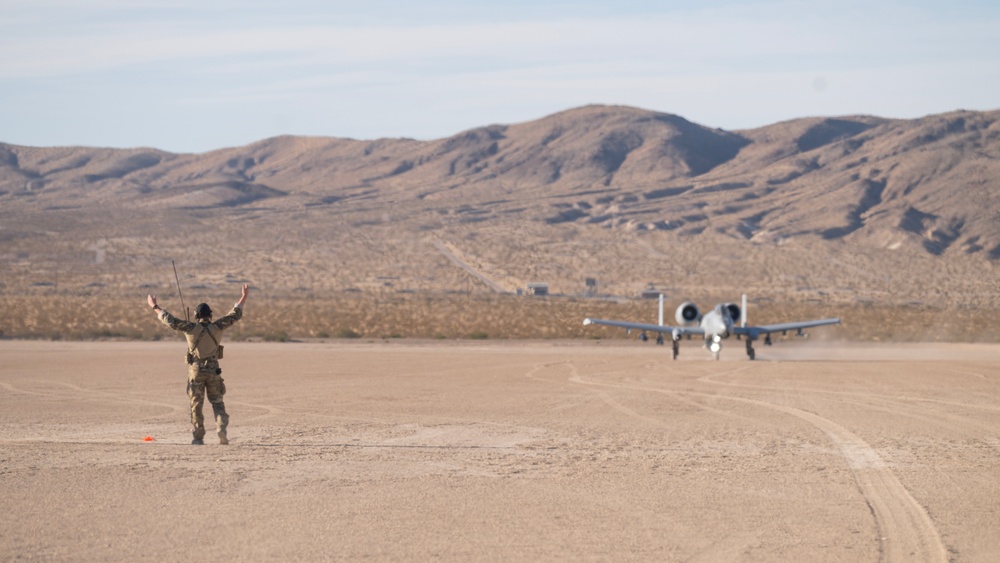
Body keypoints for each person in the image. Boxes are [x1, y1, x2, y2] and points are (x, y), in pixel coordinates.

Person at [147, 284, 249, 445]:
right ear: (210, 315)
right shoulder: (218, 326)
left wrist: (154, 306)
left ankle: (198, 436)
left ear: (196, 315)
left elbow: (170, 320)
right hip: (214, 370)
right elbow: (235, 314)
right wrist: (244, 296)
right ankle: (221, 428)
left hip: (196, 371)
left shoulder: (190, 328)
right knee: (217, 402)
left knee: (196, 404)